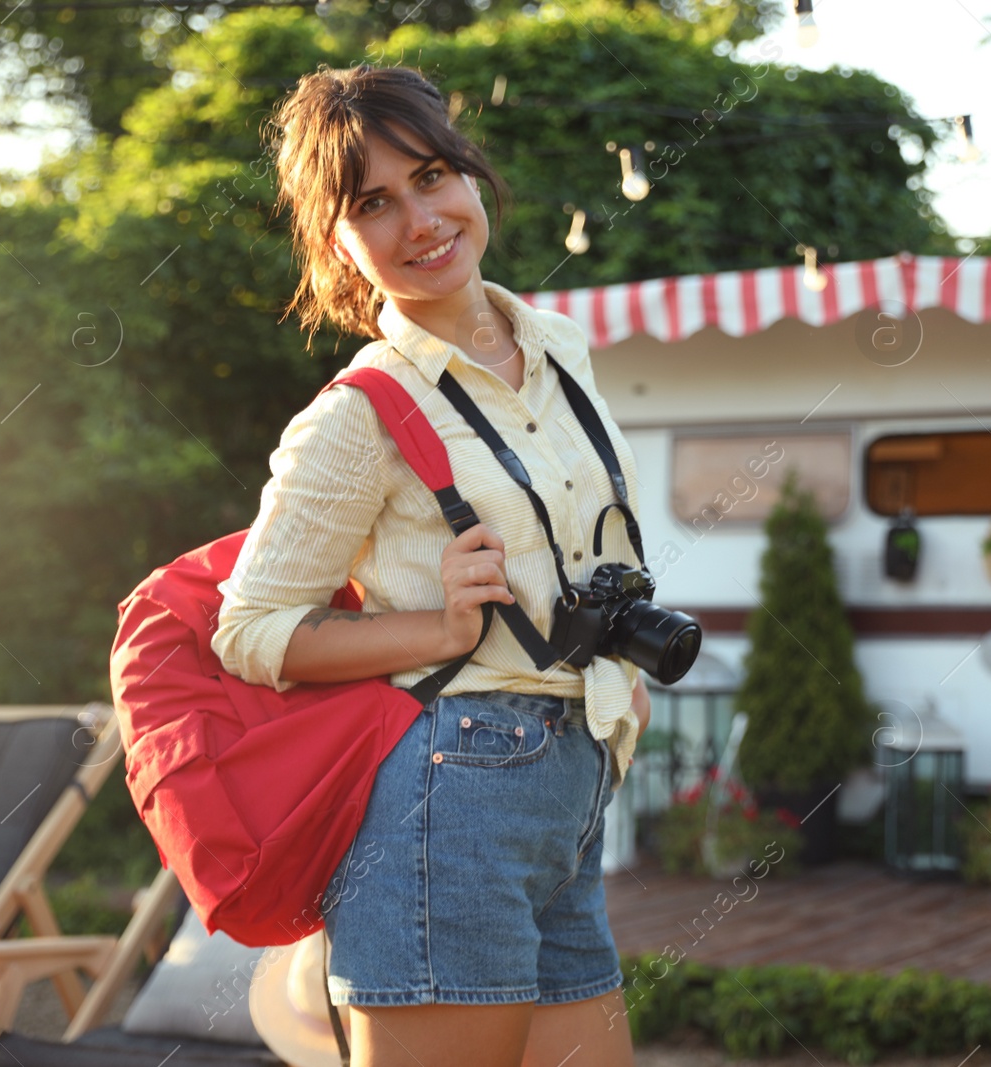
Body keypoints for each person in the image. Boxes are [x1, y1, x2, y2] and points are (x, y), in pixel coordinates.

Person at [210, 63, 650, 1067]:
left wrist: (613, 674)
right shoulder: (358, 413)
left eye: (433, 175)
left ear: (469, 174)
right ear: (338, 242)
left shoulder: (561, 348)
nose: (420, 218)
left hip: (569, 793)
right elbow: (248, 629)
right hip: (449, 803)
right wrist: (440, 629)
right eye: (374, 203)